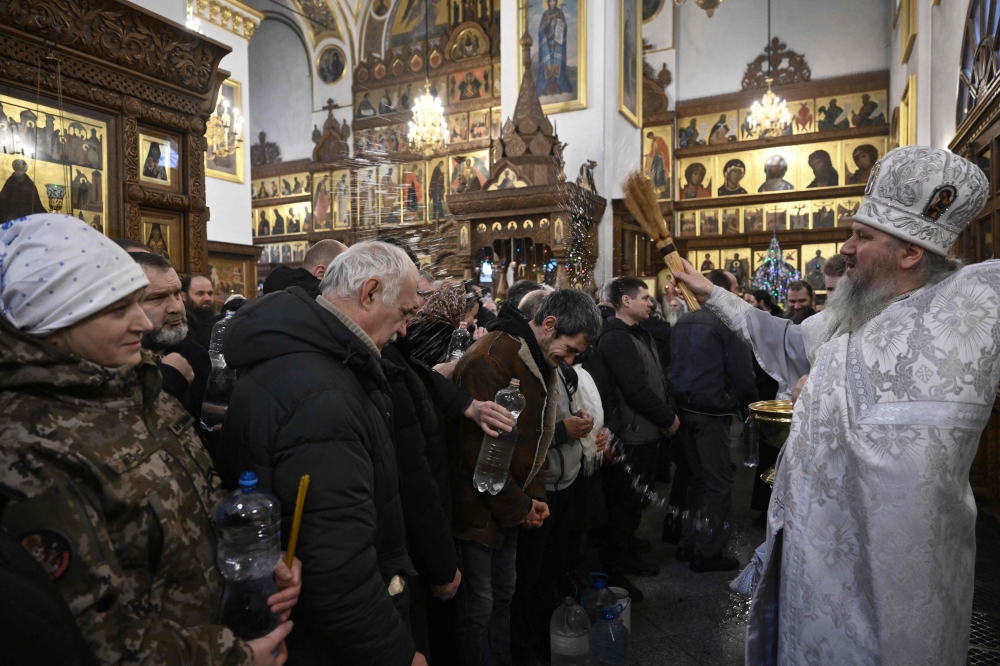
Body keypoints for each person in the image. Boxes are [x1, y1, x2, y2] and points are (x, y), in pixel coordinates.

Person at [672, 145, 1000, 665]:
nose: (845, 247)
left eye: (862, 236)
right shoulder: (850, 311)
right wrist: (711, 292)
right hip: (817, 550)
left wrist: (820, 390)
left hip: (902, 564)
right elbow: (784, 341)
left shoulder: (975, 306)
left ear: (911, 252)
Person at [0, 214, 300, 666]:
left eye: (141, 303)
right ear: (54, 319)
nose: (144, 322)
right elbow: (87, 636)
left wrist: (255, 559)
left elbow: (193, 502)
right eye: (119, 309)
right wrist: (231, 659)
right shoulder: (25, 441)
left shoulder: (137, 388)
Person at [215, 241, 427, 666]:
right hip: (324, 642)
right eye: (405, 313)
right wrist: (397, 655)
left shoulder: (302, 352)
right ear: (369, 293)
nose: (406, 328)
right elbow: (336, 565)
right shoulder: (322, 394)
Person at [449, 289, 602, 666]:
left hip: (508, 503)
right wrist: (521, 506)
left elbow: (535, 437)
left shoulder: (535, 357)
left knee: (504, 595)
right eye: (568, 349)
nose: (569, 360)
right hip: (479, 510)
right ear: (549, 325)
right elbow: (475, 454)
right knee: (480, 607)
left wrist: (534, 498)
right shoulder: (493, 358)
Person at [378, 246, 514, 664]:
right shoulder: (378, 353)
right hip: (404, 538)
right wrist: (439, 563)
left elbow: (417, 373)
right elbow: (413, 472)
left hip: (424, 523)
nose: (415, 312)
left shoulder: (391, 347)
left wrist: (464, 403)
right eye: (414, 299)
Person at [669, 270, 757, 572]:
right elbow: (743, 374)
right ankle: (708, 552)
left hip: (683, 410)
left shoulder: (684, 321)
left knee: (697, 480)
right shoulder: (727, 322)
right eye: (734, 288)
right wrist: (751, 406)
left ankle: (688, 542)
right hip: (710, 413)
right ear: (721, 291)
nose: (737, 293)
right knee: (718, 483)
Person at [596, 277, 680, 578]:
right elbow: (635, 390)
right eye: (644, 297)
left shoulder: (638, 333)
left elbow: (656, 376)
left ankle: (628, 544)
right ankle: (618, 567)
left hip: (645, 431)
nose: (650, 302)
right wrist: (668, 419)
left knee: (635, 501)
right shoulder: (615, 338)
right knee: (624, 504)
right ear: (625, 301)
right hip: (631, 434)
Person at [132, 252, 211, 426]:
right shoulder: (111, 363)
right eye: (157, 298)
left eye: (177, 294)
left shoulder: (196, 355)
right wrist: (171, 378)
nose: (175, 307)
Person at [407, 280, 481, 366]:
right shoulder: (443, 333)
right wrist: (477, 348)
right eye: (472, 315)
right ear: (457, 311)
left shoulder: (420, 323)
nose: (472, 322)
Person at [262, 239, 348, 297]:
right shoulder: (318, 304)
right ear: (321, 273)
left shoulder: (269, 298)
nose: (349, 282)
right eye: (345, 274)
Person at [181, 274, 216, 348]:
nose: (207, 298)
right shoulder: (180, 325)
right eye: (200, 293)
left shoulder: (218, 322)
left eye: (210, 293)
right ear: (184, 296)